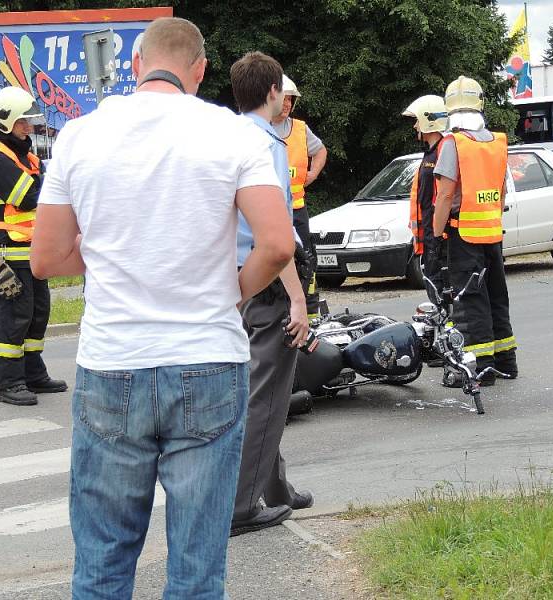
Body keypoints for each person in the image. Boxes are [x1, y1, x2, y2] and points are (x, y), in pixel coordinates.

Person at [30, 17, 294, 599]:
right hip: (207, 359)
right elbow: (277, 245)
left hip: (113, 362)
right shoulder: (234, 135)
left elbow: (45, 257)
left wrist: (108, 256)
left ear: (134, 65)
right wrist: (234, 291)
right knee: (197, 571)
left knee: (102, 564)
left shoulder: (79, 135)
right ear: (200, 71)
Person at [228, 51, 314, 537]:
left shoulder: (227, 137)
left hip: (236, 281)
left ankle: (276, 487)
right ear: (271, 94)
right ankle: (240, 506)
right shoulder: (269, 147)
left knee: (263, 389)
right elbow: (276, 238)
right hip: (269, 283)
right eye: (284, 92)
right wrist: (297, 300)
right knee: (266, 397)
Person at [0, 86, 67, 406]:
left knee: (37, 314)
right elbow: (30, 196)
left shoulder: (23, 155)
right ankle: (9, 383)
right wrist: (45, 181)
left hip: (30, 251)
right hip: (6, 254)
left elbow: (48, 189)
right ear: (6, 122)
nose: (29, 127)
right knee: (14, 317)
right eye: (22, 121)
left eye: (29, 120)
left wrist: (45, 182)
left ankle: (32, 374)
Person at [432, 76, 519, 386]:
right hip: (492, 232)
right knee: (497, 295)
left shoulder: (454, 143)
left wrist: (435, 233)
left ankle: (482, 366)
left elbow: (444, 195)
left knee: (471, 301)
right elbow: (502, 190)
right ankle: (506, 362)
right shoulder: (496, 143)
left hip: (463, 233)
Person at [272, 75, 327, 316]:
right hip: (272, 209)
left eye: (290, 101)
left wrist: (313, 173)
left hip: (296, 207)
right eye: (284, 100)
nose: (287, 105)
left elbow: (320, 150)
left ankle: (310, 308)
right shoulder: (260, 127)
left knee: (305, 258)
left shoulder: (300, 129)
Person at [401, 94, 448, 300]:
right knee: (434, 290)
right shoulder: (430, 154)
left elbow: (444, 197)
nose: (415, 127)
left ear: (428, 121)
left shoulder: (443, 151)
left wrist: (437, 239)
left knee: (441, 293)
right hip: (429, 237)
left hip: (439, 239)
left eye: (417, 121)